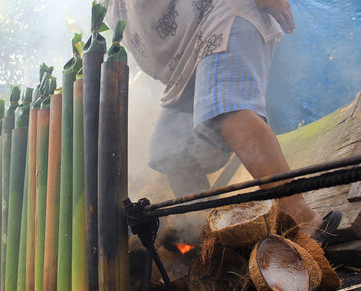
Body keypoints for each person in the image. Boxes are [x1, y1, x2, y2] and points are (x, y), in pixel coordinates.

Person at [106, 0, 341, 241]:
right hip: (182, 66)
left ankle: (302, 218)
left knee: (224, 107)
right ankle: (211, 235)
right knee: (167, 151)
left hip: (220, 16)